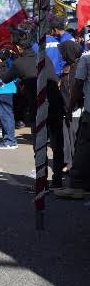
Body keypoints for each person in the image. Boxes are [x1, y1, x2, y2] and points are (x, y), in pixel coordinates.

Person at [0, 27, 64, 188]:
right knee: (57, 144)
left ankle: (42, 181)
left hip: (39, 108)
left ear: (19, 48)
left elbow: (5, 79)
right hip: (56, 104)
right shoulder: (44, 57)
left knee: (39, 146)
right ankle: (57, 180)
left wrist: (2, 63)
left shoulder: (19, 63)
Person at [55, 49, 90, 199]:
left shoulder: (86, 58)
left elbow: (77, 86)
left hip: (88, 112)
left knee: (82, 147)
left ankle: (77, 186)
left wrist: (69, 109)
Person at [0, 26, 18, 150]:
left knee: (5, 115)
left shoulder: (5, 50)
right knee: (5, 115)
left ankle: (10, 141)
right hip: (6, 87)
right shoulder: (10, 49)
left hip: (3, 88)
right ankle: (7, 139)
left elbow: (4, 70)